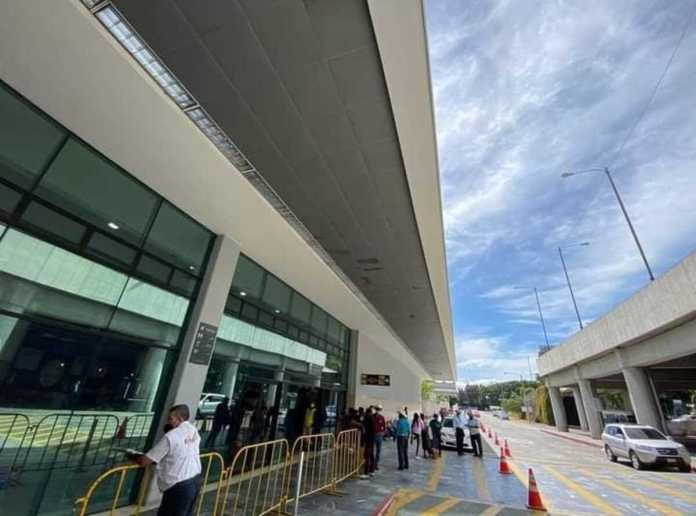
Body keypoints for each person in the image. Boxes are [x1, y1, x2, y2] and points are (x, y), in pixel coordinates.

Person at [128, 405, 201, 516]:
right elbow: (181, 451)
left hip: (178, 486)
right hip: (194, 481)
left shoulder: (171, 436)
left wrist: (133, 456)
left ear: (180, 419)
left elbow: (145, 461)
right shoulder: (193, 430)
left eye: (170, 419)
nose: (168, 422)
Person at [360, 407, 376, 478]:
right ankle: (372, 471)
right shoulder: (372, 418)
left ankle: (366, 472)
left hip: (368, 439)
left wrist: (362, 441)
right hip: (371, 439)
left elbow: (364, 431)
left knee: (367, 456)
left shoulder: (367, 419)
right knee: (371, 455)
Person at [372, 405, 386, 470]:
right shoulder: (372, 416)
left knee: (378, 450)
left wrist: (383, 433)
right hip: (374, 434)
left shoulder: (382, 417)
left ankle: (376, 464)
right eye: (377, 409)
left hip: (379, 434)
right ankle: (372, 464)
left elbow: (384, 426)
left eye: (379, 409)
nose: (378, 410)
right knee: (373, 450)